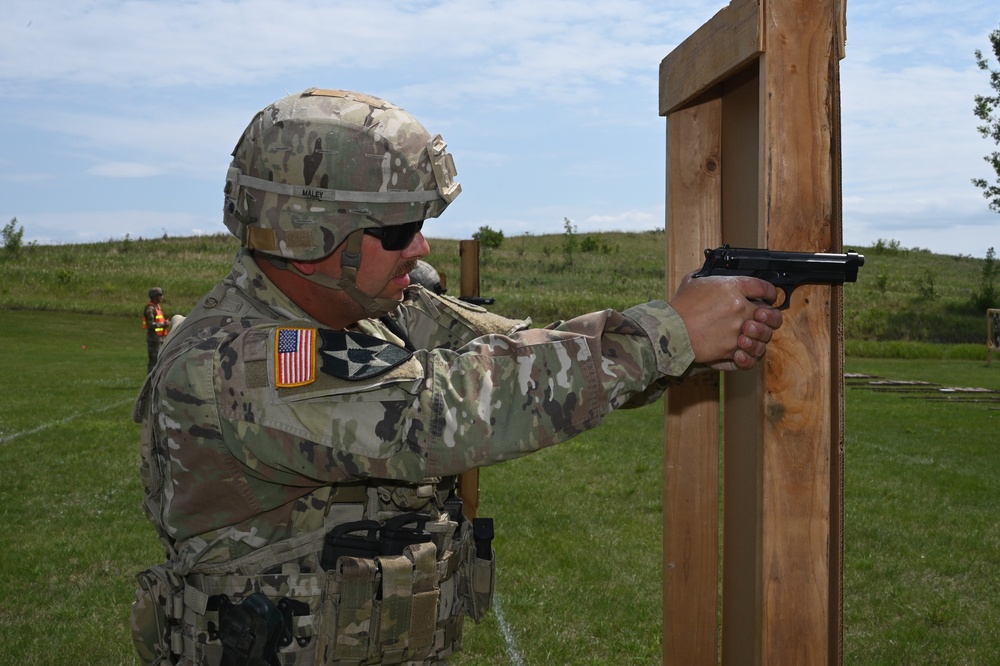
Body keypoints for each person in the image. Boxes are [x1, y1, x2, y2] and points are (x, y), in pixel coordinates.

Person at [131, 88, 783, 666]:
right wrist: (665, 334)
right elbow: (436, 409)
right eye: (401, 229)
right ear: (313, 238)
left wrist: (684, 347)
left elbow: (525, 354)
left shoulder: (371, 309)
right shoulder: (235, 365)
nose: (422, 249)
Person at [142, 287, 169, 374]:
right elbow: (150, 325)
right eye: (159, 295)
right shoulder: (150, 308)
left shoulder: (158, 308)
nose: (162, 297)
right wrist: (163, 324)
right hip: (154, 339)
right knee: (154, 361)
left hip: (161, 338)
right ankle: (150, 380)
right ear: (154, 296)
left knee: (161, 359)